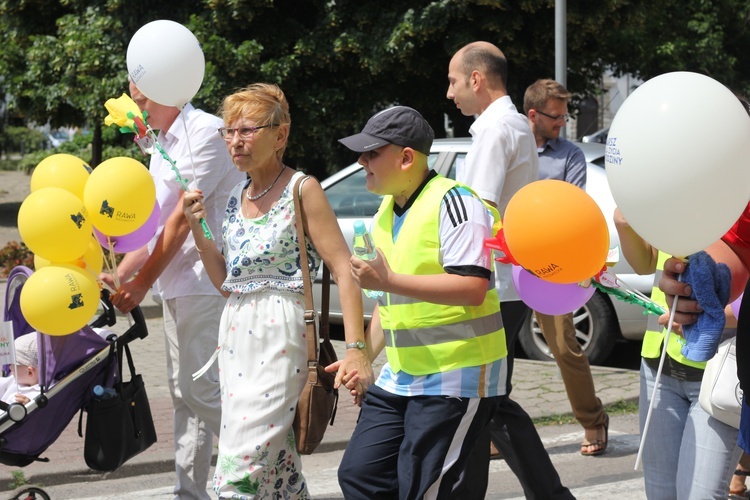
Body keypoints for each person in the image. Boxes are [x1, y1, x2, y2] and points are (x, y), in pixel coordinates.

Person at [181, 83, 370, 498]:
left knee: (239, 467)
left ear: (280, 135)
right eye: (228, 131)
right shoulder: (234, 196)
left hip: (281, 337)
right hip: (235, 339)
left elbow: (343, 268)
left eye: (247, 130)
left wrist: (356, 347)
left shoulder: (303, 189)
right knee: (277, 467)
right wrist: (199, 232)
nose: (235, 140)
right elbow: (228, 284)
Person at [332, 104, 507, 499]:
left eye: (372, 152)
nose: (362, 161)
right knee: (360, 474)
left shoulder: (456, 202)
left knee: (425, 490)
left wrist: (389, 279)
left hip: (456, 376)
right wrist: (361, 356)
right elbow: (389, 301)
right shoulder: (385, 211)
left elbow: (472, 287)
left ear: (406, 157)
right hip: (402, 377)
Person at [100, 81, 245, 499]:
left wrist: (140, 284)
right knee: (185, 394)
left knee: (200, 390)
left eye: (141, 90)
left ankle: (263, 461)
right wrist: (123, 274)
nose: (135, 99)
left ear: (169, 85)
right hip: (177, 284)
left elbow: (184, 219)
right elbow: (153, 226)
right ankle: (190, 493)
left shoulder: (204, 131)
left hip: (206, 281)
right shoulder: (162, 144)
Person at [447, 41, 574, 498]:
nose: (450, 93)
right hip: (503, 284)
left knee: (487, 400)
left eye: (454, 81)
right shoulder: (512, 124)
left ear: (476, 80)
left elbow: (473, 212)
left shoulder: (496, 130)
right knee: (488, 401)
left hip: (491, 286)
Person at [614, 207, 742, 499]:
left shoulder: (734, 190)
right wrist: (624, 222)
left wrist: (713, 316)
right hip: (659, 364)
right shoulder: (676, 184)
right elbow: (647, 263)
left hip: (719, 369)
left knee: (699, 495)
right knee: (661, 493)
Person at [524, 78, 609, 456]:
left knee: (563, 346)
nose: (562, 123)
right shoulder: (512, 147)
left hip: (551, 266)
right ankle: (493, 431)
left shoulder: (570, 155)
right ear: (533, 114)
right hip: (507, 263)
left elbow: (572, 207)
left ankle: (593, 420)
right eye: (555, 117)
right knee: (496, 351)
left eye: (563, 116)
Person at [0, 333, 39, 407]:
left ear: (30, 372)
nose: (10, 367)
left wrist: (30, 406)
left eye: (13, 365)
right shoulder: (15, 380)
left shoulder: (45, 393)